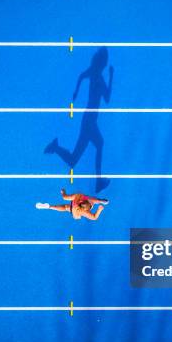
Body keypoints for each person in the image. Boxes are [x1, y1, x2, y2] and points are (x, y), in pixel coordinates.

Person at [44, 47, 113, 193]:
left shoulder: (94, 74)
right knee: (99, 144)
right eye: (105, 62)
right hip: (89, 120)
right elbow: (107, 98)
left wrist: (76, 90)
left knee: (73, 160)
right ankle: (98, 181)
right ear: (102, 63)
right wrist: (111, 77)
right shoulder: (98, 77)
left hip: (88, 119)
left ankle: (55, 147)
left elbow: (82, 76)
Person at [36, 189, 109, 221]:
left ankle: (49, 206)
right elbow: (94, 217)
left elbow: (64, 197)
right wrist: (99, 209)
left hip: (74, 205)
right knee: (66, 208)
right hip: (76, 212)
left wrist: (63, 192)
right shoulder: (83, 211)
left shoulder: (78, 196)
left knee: (65, 207)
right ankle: (101, 200)